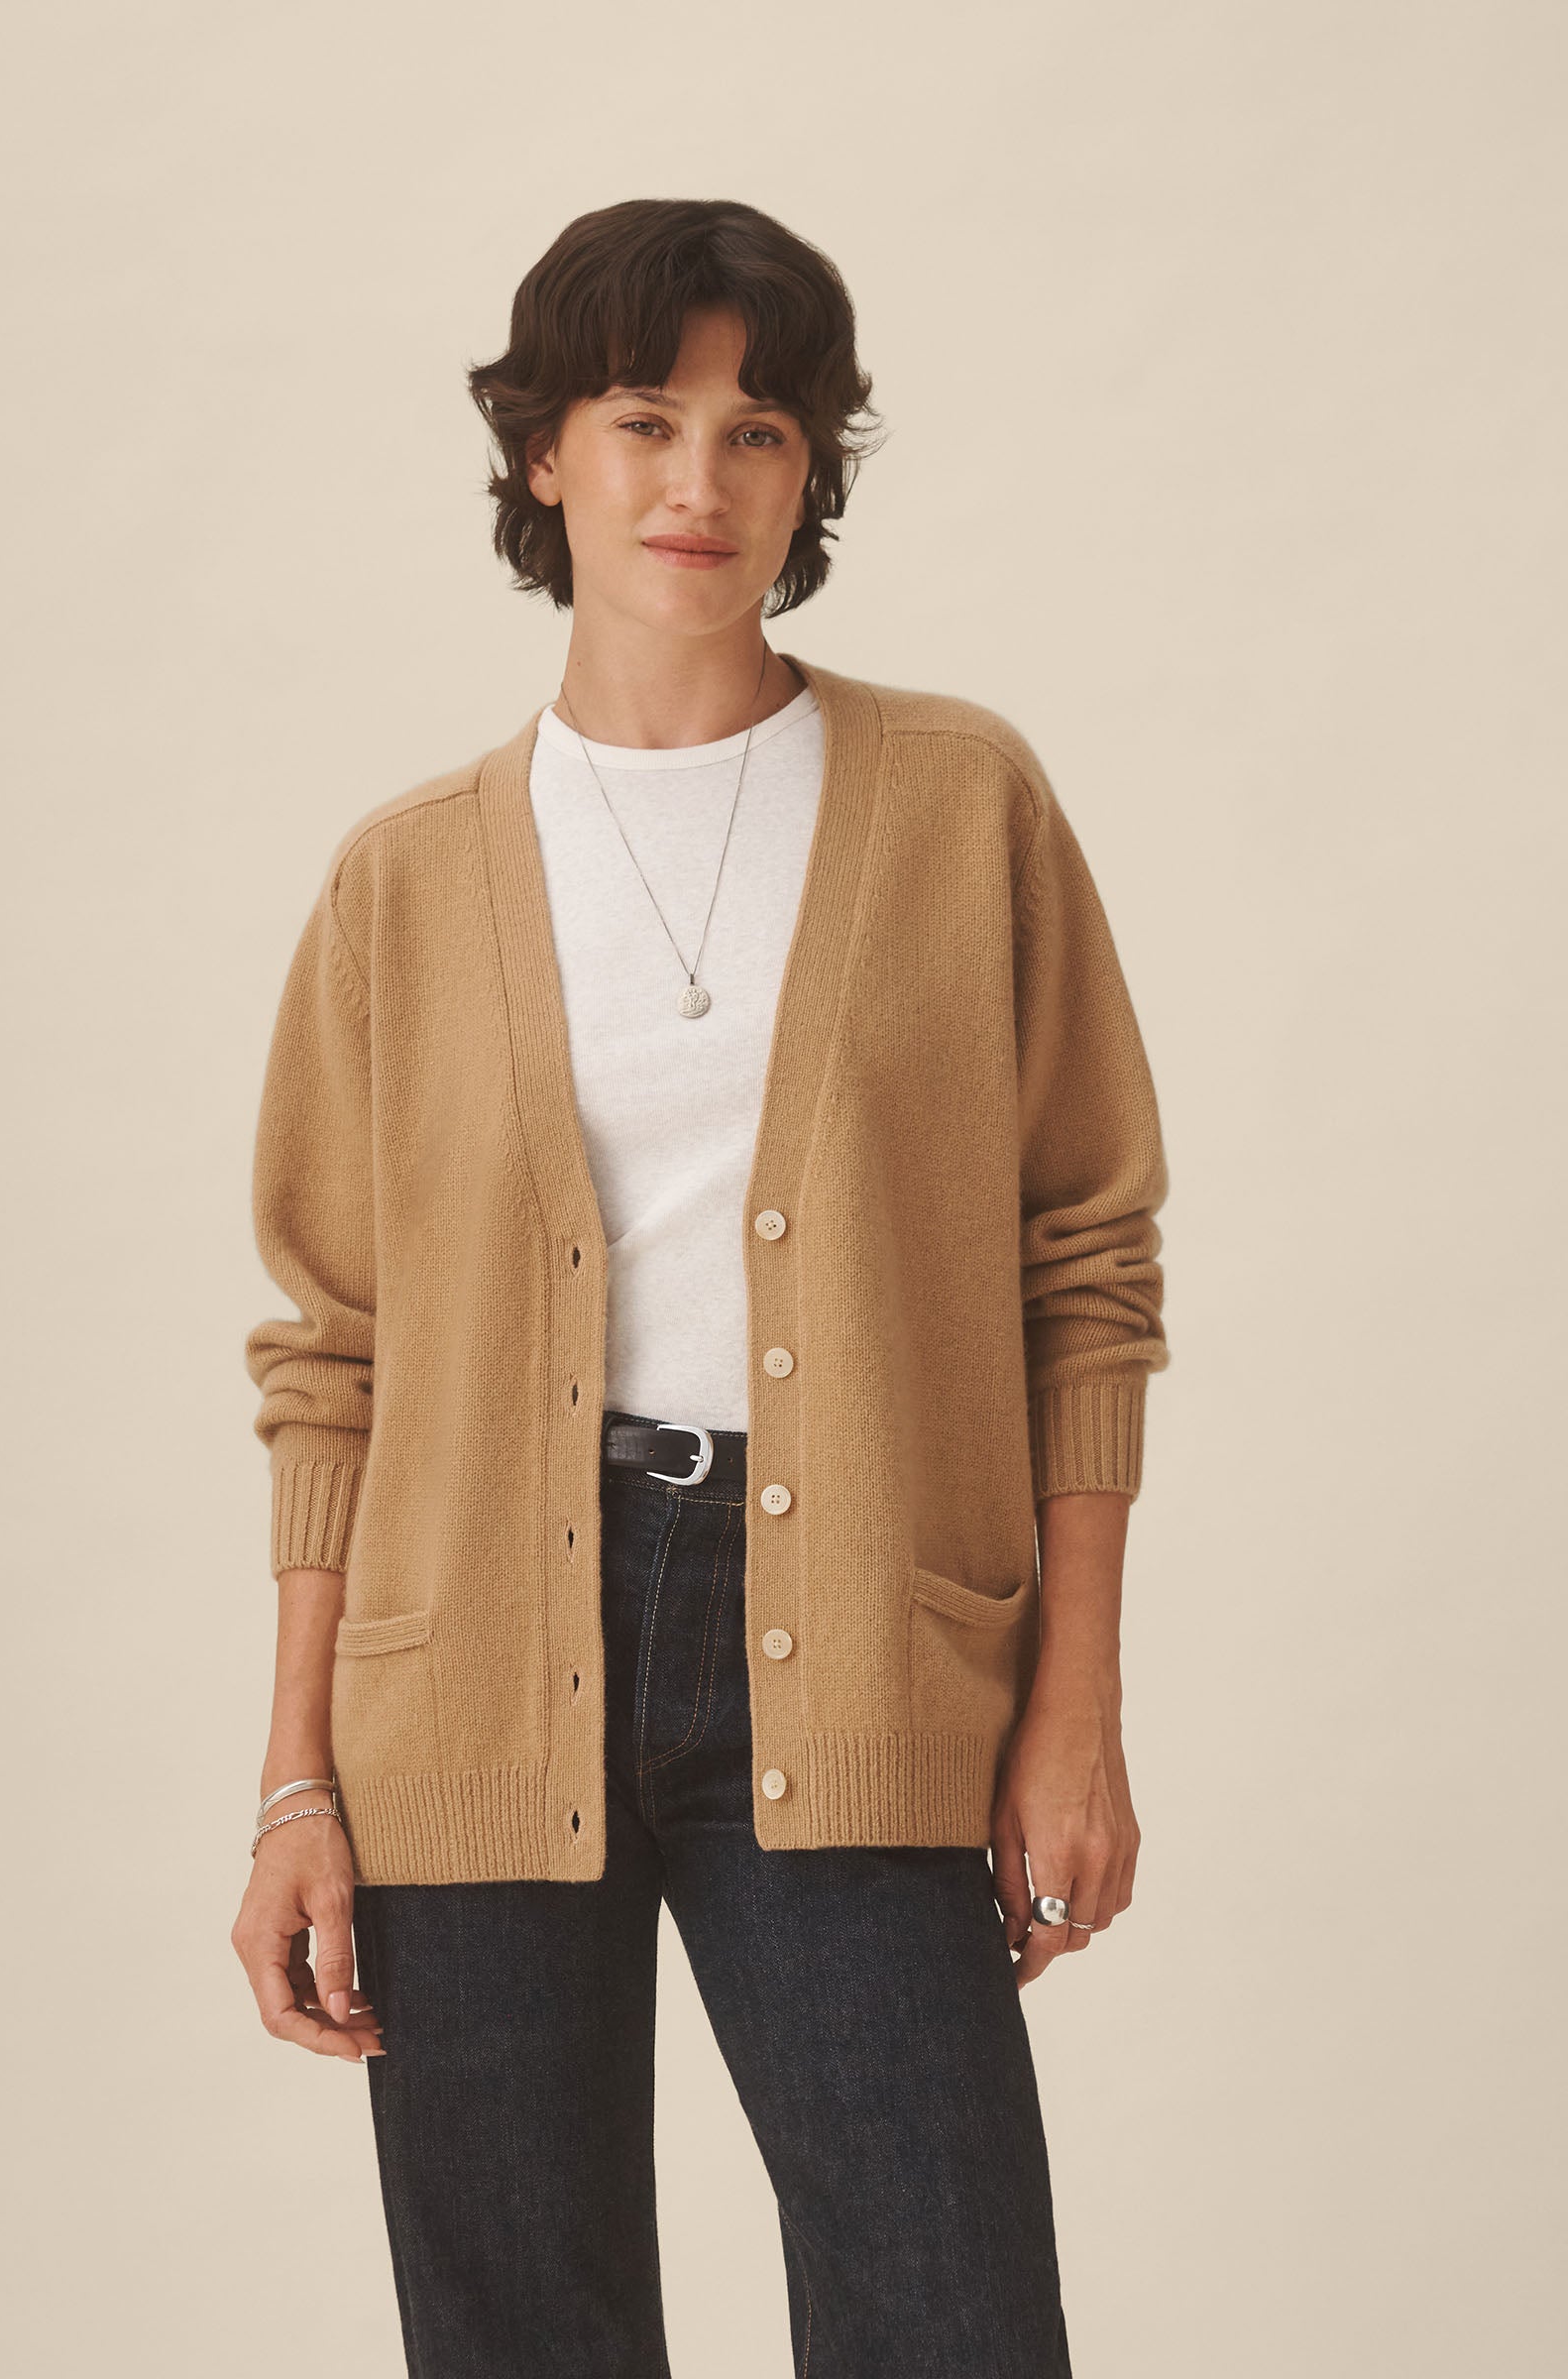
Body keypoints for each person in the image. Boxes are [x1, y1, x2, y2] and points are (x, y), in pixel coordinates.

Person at [231, 196, 1170, 2378]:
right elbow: (333, 1359)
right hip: (469, 1664)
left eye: (762, 431)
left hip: (854, 1641)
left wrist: (1076, 1703)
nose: (702, 481)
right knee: (522, 2335)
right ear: (543, 453)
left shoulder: (958, 803)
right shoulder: (403, 881)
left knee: (949, 2316)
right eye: (646, 419)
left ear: (811, 472)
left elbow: (1086, 1267)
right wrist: (295, 1784)